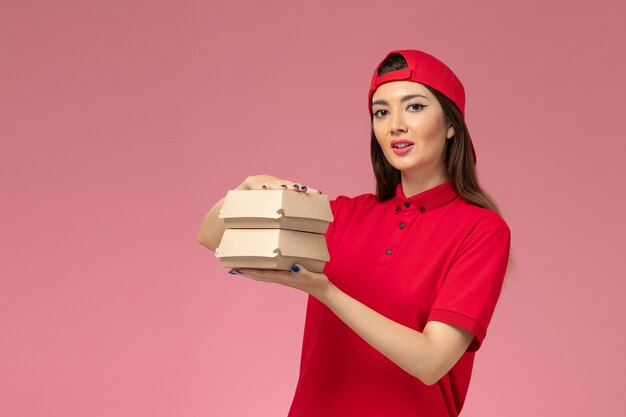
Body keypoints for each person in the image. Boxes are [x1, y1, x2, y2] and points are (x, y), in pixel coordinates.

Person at [197, 49, 513, 417]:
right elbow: (212, 236)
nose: (395, 124)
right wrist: (249, 186)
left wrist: (324, 290)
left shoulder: (481, 230)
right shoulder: (341, 215)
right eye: (381, 112)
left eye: (414, 107)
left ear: (451, 124)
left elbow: (431, 361)